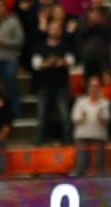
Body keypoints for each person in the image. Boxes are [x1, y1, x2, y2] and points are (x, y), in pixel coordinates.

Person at [32, 17, 74, 145]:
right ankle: (38, 144)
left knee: (65, 116)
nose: (55, 30)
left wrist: (62, 63)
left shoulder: (65, 46)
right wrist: (48, 63)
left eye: (58, 28)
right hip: (44, 87)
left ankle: (68, 143)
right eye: (53, 28)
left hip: (61, 86)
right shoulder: (41, 47)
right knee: (41, 117)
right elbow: (35, 64)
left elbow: (71, 61)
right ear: (48, 29)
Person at [71, 75, 110, 175]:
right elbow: (74, 118)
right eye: (91, 86)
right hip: (82, 136)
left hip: (99, 136)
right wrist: (82, 117)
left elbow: (108, 119)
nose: (94, 89)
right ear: (88, 88)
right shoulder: (80, 102)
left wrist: (101, 117)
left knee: (99, 166)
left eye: (96, 86)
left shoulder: (105, 103)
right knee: (81, 165)